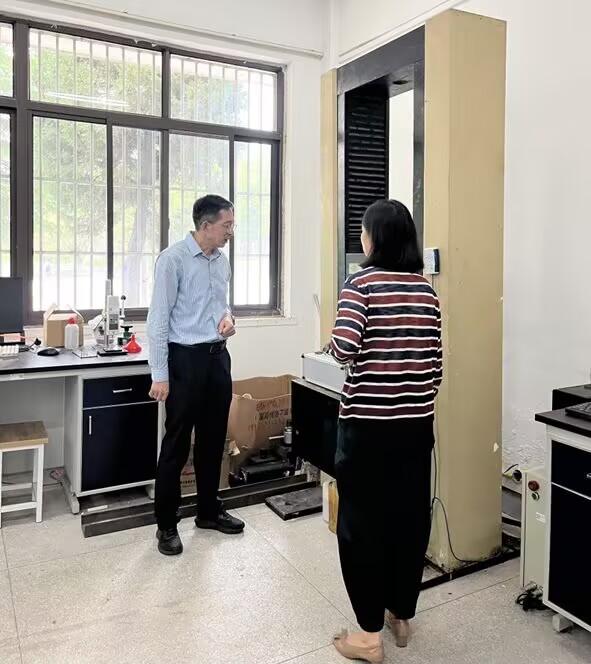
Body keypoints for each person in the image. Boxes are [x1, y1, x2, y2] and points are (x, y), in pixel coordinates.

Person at [329, 200, 443, 663]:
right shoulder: (426, 291)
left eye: (363, 231)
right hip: (415, 427)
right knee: (408, 521)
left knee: (361, 526)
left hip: (367, 430)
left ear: (374, 238)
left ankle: (368, 636)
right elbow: (436, 368)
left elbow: (342, 349)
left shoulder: (360, 285)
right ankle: (401, 615)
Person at [147, 194, 245, 557]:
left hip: (218, 359)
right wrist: (160, 374)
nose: (231, 232)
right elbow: (158, 320)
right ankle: (166, 524)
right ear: (205, 226)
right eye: (226, 225)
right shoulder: (172, 260)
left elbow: (223, 306)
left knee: (213, 440)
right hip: (184, 361)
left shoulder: (221, 262)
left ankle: (207, 511)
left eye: (232, 225)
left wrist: (229, 320)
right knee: (176, 444)